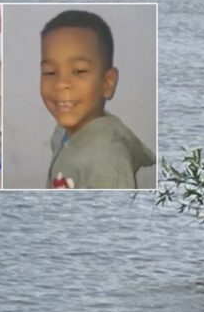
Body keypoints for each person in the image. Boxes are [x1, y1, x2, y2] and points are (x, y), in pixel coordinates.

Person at [41, 10, 155, 189]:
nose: (61, 84)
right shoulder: (62, 132)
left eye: (79, 71)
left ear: (107, 83)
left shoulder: (109, 163)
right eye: (49, 72)